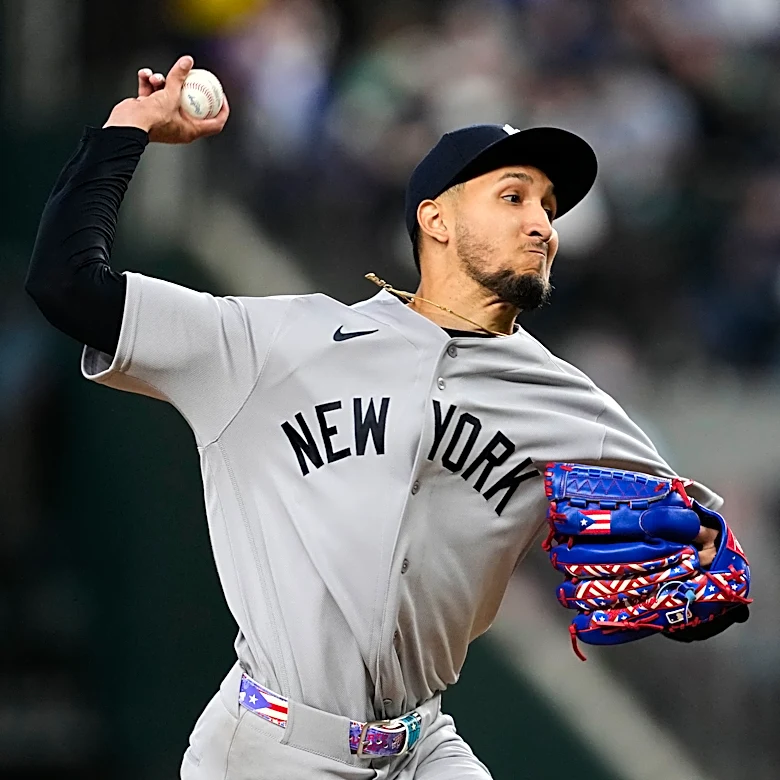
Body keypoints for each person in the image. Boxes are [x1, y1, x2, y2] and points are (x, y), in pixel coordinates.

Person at [26, 56, 727, 779]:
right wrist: (129, 126)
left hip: (422, 747)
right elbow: (67, 285)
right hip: (273, 749)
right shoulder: (277, 344)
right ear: (436, 219)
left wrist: (701, 570)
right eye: (513, 197)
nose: (542, 224)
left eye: (549, 206)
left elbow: (698, 547)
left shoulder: (571, 405)